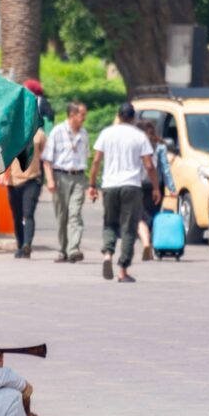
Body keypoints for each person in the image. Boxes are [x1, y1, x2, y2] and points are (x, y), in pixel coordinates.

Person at [88, 102, 160, 283]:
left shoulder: (106, 133)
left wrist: (92, 185)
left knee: (110, 223)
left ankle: (107, 255)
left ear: (118, 116)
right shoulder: (139, 136)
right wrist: (156, 187)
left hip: (110, 185)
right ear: (133, 118)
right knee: (129, 228)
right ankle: (122, 270)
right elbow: (149, 165)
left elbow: (96, 162)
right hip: (132, 186)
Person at [42, 102, 90, 263]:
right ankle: (63, 250)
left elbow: (86, 157)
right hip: (59, 176)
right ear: (72, 115)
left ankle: (74, 249)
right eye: (81, 114)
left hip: (78, 177)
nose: (84, 118)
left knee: (75, 213)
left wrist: (89, 184)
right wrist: (49, 180)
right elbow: (47, 159)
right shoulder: (57, 132)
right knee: (62, 216)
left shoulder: (84, 134)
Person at [136, 120, 177, 261]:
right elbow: (165, 169)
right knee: (153, 217)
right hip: (156, 186)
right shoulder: (160, 147)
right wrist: (171, 188)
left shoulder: (136, 145)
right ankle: (152, 246)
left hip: (138, 185)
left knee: (139, 217)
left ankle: (146, 242)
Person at [4, 125, 46, 258]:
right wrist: (0, 174)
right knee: (17, 216)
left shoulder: (39, 135)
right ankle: (20, 245)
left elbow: (47, 159)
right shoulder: (11, 133)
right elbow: (2, 155)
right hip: (12, 181)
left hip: (32, 180)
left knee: (28, 213)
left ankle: (27, 245)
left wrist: (47, 179)